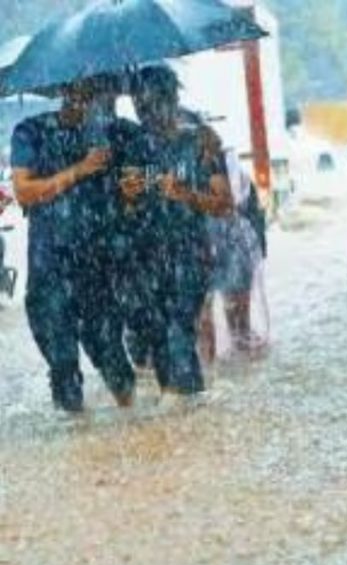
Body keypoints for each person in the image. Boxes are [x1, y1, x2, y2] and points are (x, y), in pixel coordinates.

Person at [10, 75, 136, 412]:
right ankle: (77, 444)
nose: (91, 98)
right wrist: (80, 169)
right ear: (64, 90)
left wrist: (134, 188)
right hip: (49, 265)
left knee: (112, 357)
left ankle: (138, 429)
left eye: (97, 90)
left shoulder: (116, 133)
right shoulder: (32, 131)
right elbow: (24, 191)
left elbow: (150, 170)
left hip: (97, 264)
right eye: (84, 89)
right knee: (63, 365)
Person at [118, 65, 232, 397]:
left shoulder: (200, 142)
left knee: (177, 329)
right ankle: (186, 404)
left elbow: (225, 204)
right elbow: (125, 209)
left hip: (189, 253)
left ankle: (183, 406)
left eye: (151, 105)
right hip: (145, 257)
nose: (145, 115)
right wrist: (128, 195)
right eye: (139, 107)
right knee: (156, 335)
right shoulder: (135, 147)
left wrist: (186, 194)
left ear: (171, 99)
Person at [198, 138, 266, 361]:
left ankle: (219, 373)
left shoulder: (228, 169)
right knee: (221, 321)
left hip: (227, 246)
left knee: (231, 321)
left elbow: (245, 209)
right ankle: (228, 371)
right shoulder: (229, 170)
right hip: (214, 247)